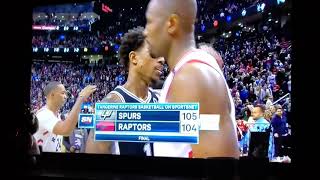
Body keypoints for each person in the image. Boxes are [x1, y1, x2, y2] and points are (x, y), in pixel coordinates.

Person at [144, 0, 239, 158]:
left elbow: (220, 168)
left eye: (150, 22)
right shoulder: (184, 73)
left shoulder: (192, 77)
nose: (146, 32)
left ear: (172, 24)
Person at [86, 27, 164, 156]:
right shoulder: (111, 106)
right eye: (154, 53)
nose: (162, 59)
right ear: (134, 58)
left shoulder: (161, 99)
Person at [33, 81, 96, 152]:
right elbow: (66, 130)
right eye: (62, 93)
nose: (65, 97)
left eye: (66, 94)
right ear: (52, 95)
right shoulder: (44, 115)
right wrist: (81, 98)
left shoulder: (57, 115)